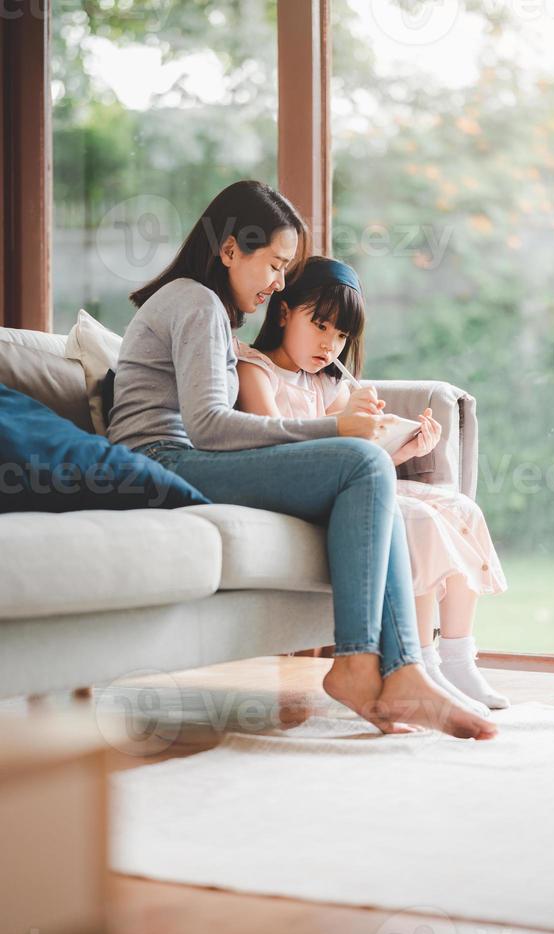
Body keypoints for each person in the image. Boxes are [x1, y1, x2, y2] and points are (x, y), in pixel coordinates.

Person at [107, 179, 497, 740]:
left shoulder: (207, 307)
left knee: (366, 471)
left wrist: (352, 435)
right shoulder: (194, 301)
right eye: (275, 264)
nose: (278, 282)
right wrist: (336, 428)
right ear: (231, 250)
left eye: (286, 269)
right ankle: (366, 667)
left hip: (179, 459)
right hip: (158, 464)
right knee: (358, 462)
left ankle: (399, 669)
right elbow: (210, 427)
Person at [235, 255, 509, 717]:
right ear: (283, 313)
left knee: (461, 509)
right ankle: (419, 664)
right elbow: (273, 445)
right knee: (415, 519)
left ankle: (459, 659)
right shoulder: (254, 369)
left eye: (341, 335)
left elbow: (361, 460)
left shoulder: (326, 381)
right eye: (320, 325)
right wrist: (339, 421)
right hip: (299, 491)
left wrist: (402, 447)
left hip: (345, 485)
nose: (330, 344)